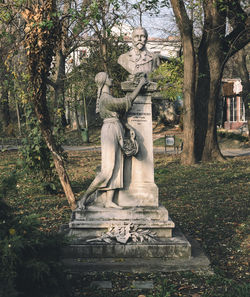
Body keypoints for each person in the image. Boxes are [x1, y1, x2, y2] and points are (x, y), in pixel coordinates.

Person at [78, 72, 147, 209]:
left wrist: (127, 127)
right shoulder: (105, 98)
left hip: (116, 127)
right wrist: (140, 85)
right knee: (107, 169)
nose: (112, 78)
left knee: (117, 167)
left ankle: (109, 201)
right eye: (109, 77)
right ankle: (83, 199)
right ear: (104, 81)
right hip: (110, 130)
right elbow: (125, 102)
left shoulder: (108, 97)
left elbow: (119, 115)